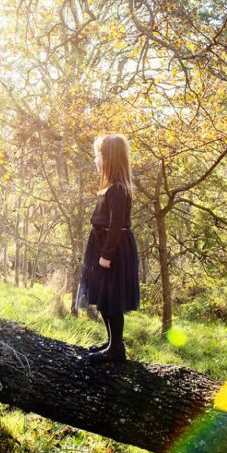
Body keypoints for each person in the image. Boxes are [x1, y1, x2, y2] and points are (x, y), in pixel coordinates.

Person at [75, 133, 140, 363]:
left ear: (110, 158)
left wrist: (105, 256)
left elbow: (115, 226)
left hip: (113, 251)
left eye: (99, 155)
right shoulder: (109, 187)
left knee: (112, 300)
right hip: (102, 246)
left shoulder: (119, 190)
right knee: (103, 299)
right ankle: (112, 342)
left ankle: (116, 349)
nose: (96, 159)